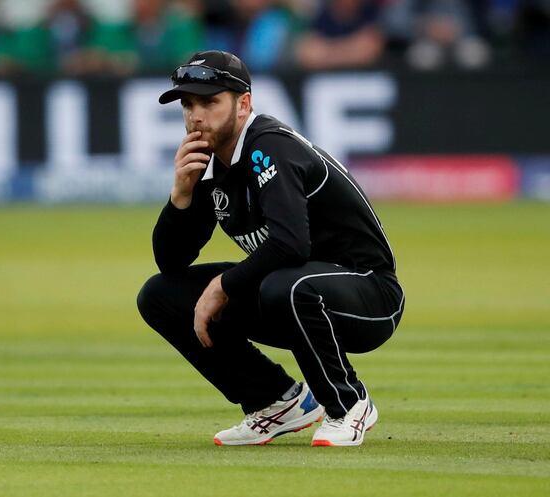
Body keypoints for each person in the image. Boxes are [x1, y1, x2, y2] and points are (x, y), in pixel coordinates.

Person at [136, 50, 405, 447]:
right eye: (188, 104)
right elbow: (171, 261)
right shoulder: (209, 162)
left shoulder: (268, 146)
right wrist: (181, 196)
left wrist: (223, 285)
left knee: (284, 285)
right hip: (289, 291)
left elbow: (291, 244)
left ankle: (349, 404)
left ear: (243, 104)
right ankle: (276, 401)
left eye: (210, 102)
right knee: (159, 295)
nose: (196, 115)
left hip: (369, 294)